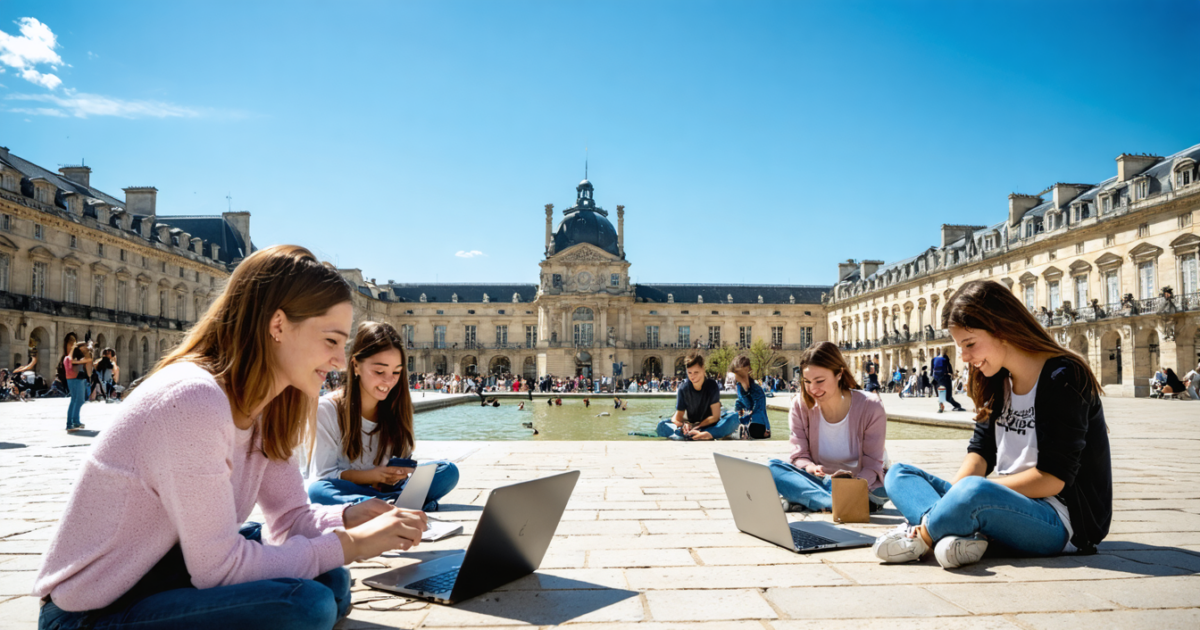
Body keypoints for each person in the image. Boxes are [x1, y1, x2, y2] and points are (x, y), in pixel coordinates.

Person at [34, 245, 429, 630]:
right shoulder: (192, 399)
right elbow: (218, 568)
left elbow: (290, 518)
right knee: (306, 605)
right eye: (330, 340)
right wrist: (353, 544)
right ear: (278, 325)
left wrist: (348, 517)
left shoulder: (270, 405)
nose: (340, 361)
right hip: (93, 609)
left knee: (331, 583)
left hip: (169, 570)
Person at [874, 280, 1112, 570]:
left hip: (1058, 522)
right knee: (899, 473)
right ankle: (957, 531)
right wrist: (958, 496)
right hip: (1002, 503)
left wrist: (970, 495)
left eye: (970, 344)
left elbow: (1053, 479)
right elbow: (981, 452)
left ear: (1002, 330)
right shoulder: (998, 378)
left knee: (974, 492)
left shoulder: (1063, 376)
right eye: (960, 347)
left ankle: (922, 536)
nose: (964, 358)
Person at [307, 321, 459, 512]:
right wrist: (373, 476)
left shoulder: (397, 406)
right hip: (348, 488)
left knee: (448, 471)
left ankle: (381, 506)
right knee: (318, 491)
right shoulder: (327, 409)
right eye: (379, 371)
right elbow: (323, 476)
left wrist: (399, 473)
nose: (389, 381)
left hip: (386, 490)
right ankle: (399, 504)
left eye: (396, 372)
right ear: (355, 366)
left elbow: (399, 462)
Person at [769, 342, 888, 512]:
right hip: (820, 481)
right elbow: (799, 455)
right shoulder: (800, 405)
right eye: (807, 381)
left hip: (863, 483)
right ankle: (837, 503)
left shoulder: (871, 406)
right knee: (772, 468)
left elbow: (872, 466)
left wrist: (850, 487)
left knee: (889, 483)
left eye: (819, 381)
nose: (812, 389)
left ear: (839, 374)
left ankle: (815, 500)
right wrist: (810, 467)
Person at [656, 352, 738, 440]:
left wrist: (698, 426)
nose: (692, 376)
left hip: (709, 423)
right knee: (661, 425)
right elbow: (678, 417)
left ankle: (704, 434)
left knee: (734, 418)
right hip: (692, 424)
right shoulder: (683, 388)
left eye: (696, 372)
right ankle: (701, 434)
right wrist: (684, 425)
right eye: (690, 373)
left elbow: (715, 416)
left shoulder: (712, 385)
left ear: (703, 369)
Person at [731, 355, 771, 439]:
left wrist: (767, 428)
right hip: (748, 421)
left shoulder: (756, 390)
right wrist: (737, 411)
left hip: (757, 424)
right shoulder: (739, 385)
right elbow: (739, 401)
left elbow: (760, 410)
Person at [64, 342, 92, 432]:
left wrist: (86, 350)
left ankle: (75, 421)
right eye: (83, 347)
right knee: (75, 400)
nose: (85, 348)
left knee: (79, 400)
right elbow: (71, 361)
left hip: (78, 379)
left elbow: (89, 359)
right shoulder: (69, 358)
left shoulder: (79, 358)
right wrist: (74, 347)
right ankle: (70, 424)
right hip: (74, 379)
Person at [931, 348, 965, 413]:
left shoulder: (934, 359)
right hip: (945, 378)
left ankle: (941, 407)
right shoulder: (945, 359)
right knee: (948, 397)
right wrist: (951, 374)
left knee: (941, 394)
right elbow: (950, 369)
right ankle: (956, 405)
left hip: (937, 379)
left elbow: (931, 371)